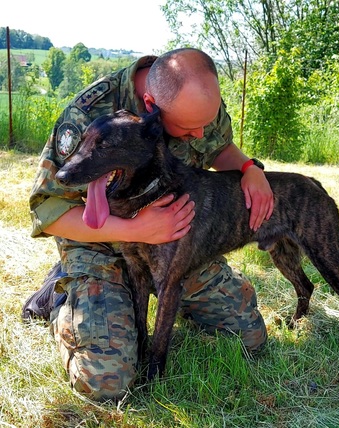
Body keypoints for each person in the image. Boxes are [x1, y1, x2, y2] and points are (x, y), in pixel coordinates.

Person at [25, 47, 274, 402]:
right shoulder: (89, 115)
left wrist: (250, 169)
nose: (200, 131)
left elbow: (220, 147)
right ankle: (64, 294)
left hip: (171, 242)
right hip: (98, 241)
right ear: (150, 104)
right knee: (107, 381)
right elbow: (48, 210)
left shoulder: (193, 97)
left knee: (250, 336)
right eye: (189, 128)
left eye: (207, 120)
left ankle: (133, 286)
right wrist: (134, 230)